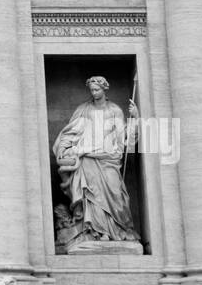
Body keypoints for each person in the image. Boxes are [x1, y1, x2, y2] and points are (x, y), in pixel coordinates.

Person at [52, 75, 139, 244]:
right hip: (87, 158)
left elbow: (124, 139)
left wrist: (135, 118)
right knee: (92, 196)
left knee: (115, 193)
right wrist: (63, 148)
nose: (94, 92)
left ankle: (118, 230)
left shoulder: (115, 110)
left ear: (104, 89)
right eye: (91, 90)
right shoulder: (84, 109)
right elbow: (71, 132)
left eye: (97, 89)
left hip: (108, 158)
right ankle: (96, 231)